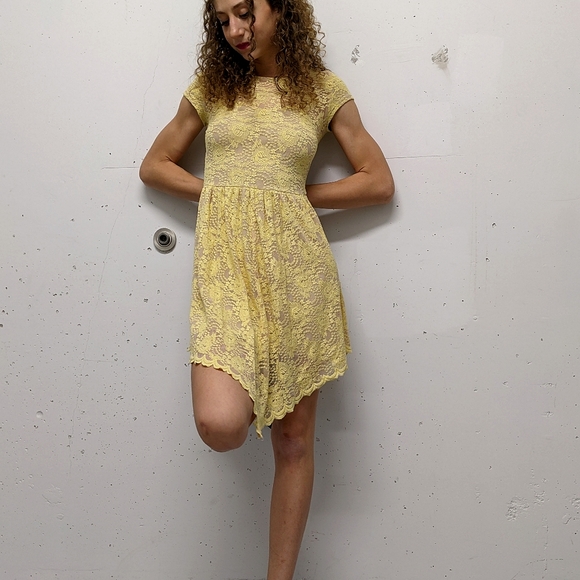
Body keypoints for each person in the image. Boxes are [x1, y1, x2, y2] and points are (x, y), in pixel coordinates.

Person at [139, 0, 394, 577]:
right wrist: (223, 192)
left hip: (298, 275)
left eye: (245, 13)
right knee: (220, 425)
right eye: (222, 20)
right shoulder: (212, 87)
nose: (235, 30)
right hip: (226, 274)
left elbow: (378, 181)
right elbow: (154, 165)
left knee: (294, 442)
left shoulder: (322, 89)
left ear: (281, 8)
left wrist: (295, 195)